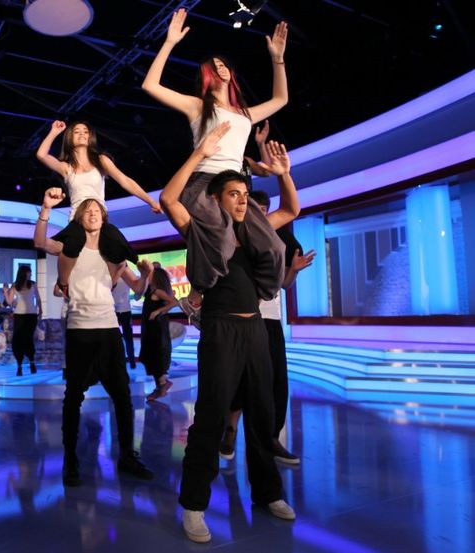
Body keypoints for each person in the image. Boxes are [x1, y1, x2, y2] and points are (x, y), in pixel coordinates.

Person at [159, 123, 301, 542]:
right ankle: (194, 505)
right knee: (211, 416)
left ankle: (268, 493)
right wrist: (200, 154)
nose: (241, 200)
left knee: (262, 415)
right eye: (232, 194)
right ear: (215, 200)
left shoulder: (257, 233)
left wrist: (284, 174)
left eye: (243, 194)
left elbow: (291, 210)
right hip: (220, 330)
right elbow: (168, 198)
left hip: (255, 327)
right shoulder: (200, 232)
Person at [143, 9, 289, 304]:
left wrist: (277, 58)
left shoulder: (244, 114)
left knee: (274, 247)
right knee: (221, 242)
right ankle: (197, 295)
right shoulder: (197, 106)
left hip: (235, 185)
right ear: (206, 77)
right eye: (215, 66)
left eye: (224, 65)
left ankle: (260, 295)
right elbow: (150, 85)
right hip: (205, 183)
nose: (221, 68)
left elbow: (280, 99)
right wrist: (169, 42)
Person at [34, 188, 154, 487]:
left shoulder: (113, 253)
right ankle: (70, 460)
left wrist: (147, 274)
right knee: (73, 397)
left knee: (122, 396)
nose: (92, 213)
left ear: (104, 218)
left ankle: (127, 456)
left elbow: (139, 290)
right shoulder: (68, 248)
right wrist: (46, 209)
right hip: (79, 329)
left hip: (108, 329)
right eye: (87, 210)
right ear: (79, 217)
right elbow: (39, 242)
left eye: (97, 210)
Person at [219, 190, 315, 464]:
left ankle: (271, 439)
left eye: (264, 209)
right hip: (240, 319)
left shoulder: (277, 239)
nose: (259, 213)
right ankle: (230, 431)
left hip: (270, 321)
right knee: (238, 381)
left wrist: (294, 269)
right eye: (255, 208)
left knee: (276, 383)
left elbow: (284, 284)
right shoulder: (233, 236)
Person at [36, 120, 162, 295]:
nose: (82, 133)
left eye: (85, 131)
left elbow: (125, 180)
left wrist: (150, 201)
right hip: (78, 221)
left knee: (118, 243)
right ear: (70, 138)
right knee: (70, 245)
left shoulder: (101, 160)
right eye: (77, 131)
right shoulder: (66, 167)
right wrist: (54, 132)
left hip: (100, 220)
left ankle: (110, 283)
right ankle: (63, 284)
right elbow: (41, 155)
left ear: (90, 137)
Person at [139, 267, 178, 401]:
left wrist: (158, 311)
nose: (147, 276)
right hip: (150, 328)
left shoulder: (158, 291)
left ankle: (162, 384)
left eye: (150, 274)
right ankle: (160, 386)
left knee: (154, 355)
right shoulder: (150, 291)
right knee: (149, 355)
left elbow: (174, 302)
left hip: (156, 329)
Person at [3, 266, 43, 376]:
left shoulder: (33, 284)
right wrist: (6, 292)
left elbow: (38, 298)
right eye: (28, 272)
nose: (30, 274)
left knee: (28, 339)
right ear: (23, 273)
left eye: (30, 273)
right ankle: (19, 365)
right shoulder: (15, 285)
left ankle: (32, 361)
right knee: (17, 340)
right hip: (19, 315)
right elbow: (10, 301)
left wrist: (41, 309)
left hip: (31, 315)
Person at [111, 278, 136, 369]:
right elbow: (138, 293)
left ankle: (120, 361)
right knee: (128, 338)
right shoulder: (128, 277)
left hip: (117, 310)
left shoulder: (112, 276)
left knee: (116, 338)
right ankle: (131, 361)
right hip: (122, 310)